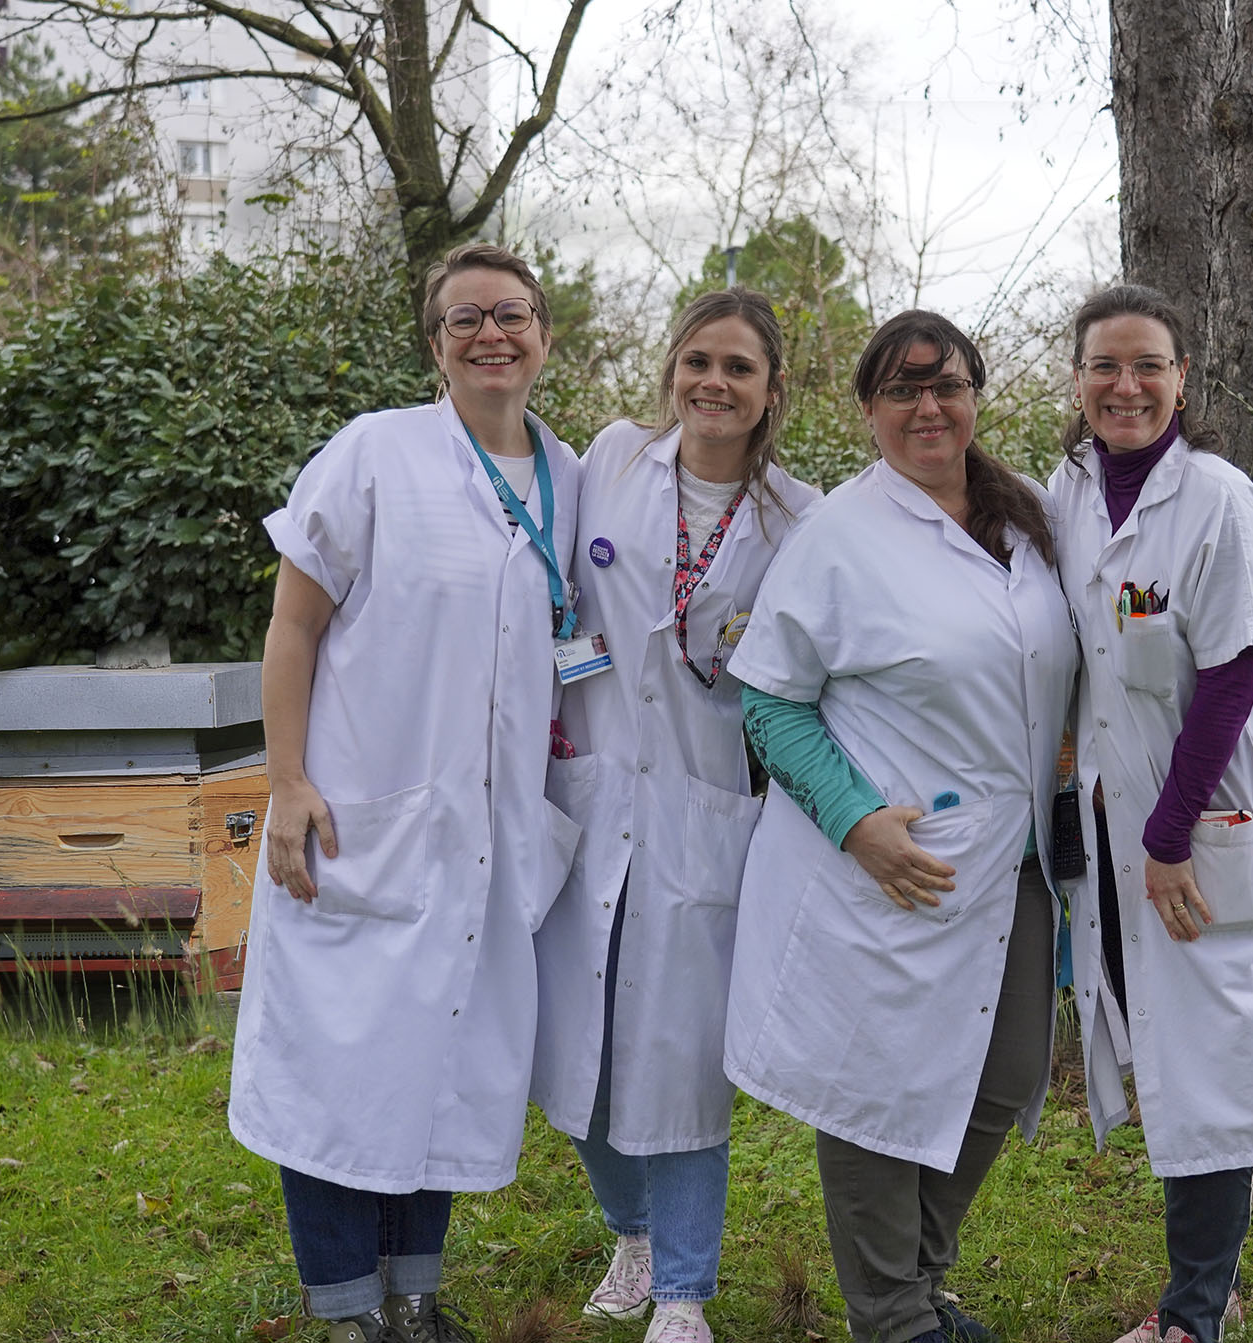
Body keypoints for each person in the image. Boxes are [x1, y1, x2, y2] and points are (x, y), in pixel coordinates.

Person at [228, 243, 582, 1343]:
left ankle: (413, 1297)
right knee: (339, 1065)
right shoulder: (372, 453)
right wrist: (284, 780)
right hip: (357, 817)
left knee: (444, 1051)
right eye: (465, 317)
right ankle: (346, 1311)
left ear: (543, 336)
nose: (491, 333)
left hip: (487, 834)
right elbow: (294, 624)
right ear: (434, 345)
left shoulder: (569, 480)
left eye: (511, 314)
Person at [723, 311, 1079, 1343]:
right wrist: (856, 821)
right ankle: (893, 1314)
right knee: (871, 1087)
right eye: (903, 389)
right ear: (869, 408)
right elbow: (769, 703)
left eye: (948, 384)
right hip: (884, 867)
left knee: (1004, 1072)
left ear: (976, 394)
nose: (929, 406)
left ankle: (916, 1279)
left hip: (1006, 863)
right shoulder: (839, 535)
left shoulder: (1024, 519)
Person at [530, 289, 821, 1343]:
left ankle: (684, 1291)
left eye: (738, 367)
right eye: (697, 359)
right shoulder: (607, 459)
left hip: (705, 809)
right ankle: (633, 1229)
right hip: (590, 786)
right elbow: (538, 583)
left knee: (681, 1053)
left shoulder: (798, 517)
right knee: (579, 1038)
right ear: (669, 371)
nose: (713, 381)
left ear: (770, 390)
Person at [1045, 285, 1253, 1343]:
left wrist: (1166, 838)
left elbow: (1230, 680)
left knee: (1206, 1056)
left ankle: (1191, 1314)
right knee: (1167, 1039)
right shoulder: (1068, 489)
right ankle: (1199, 1290)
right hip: (1118, 820)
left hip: (1197, 824)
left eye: (1146, 365)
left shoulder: (1214, 497)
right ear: (1075, 381)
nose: (1124, 385)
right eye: (1104, 366)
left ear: (1180, 379)